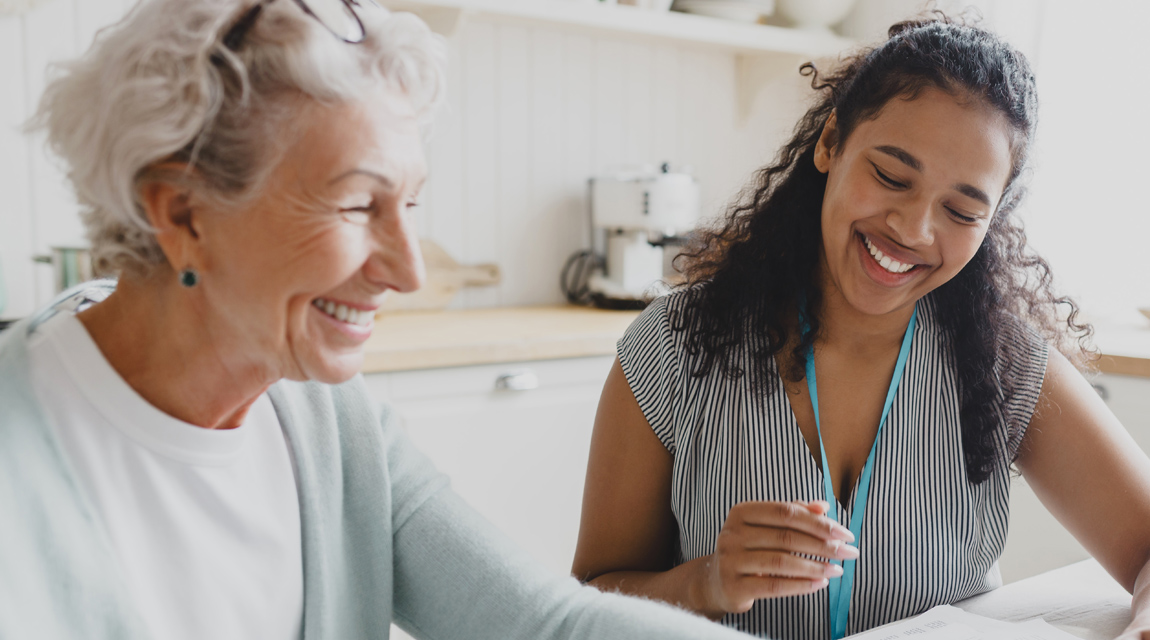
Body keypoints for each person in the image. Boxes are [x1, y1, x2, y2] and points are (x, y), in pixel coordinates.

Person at [0, 1, 761, 638]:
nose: (409, 270)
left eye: (411, 203)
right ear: (182, 212)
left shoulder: (330, 418)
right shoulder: (23, 459)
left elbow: (541, 624)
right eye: (359, 204)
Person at [571, 15, 1150, 640]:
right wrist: (706, 582)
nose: (913, 229)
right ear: (830, 143)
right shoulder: (674, 346)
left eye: (960, 210)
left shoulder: (1003, 361)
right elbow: (588, 603)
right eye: (891, 176)